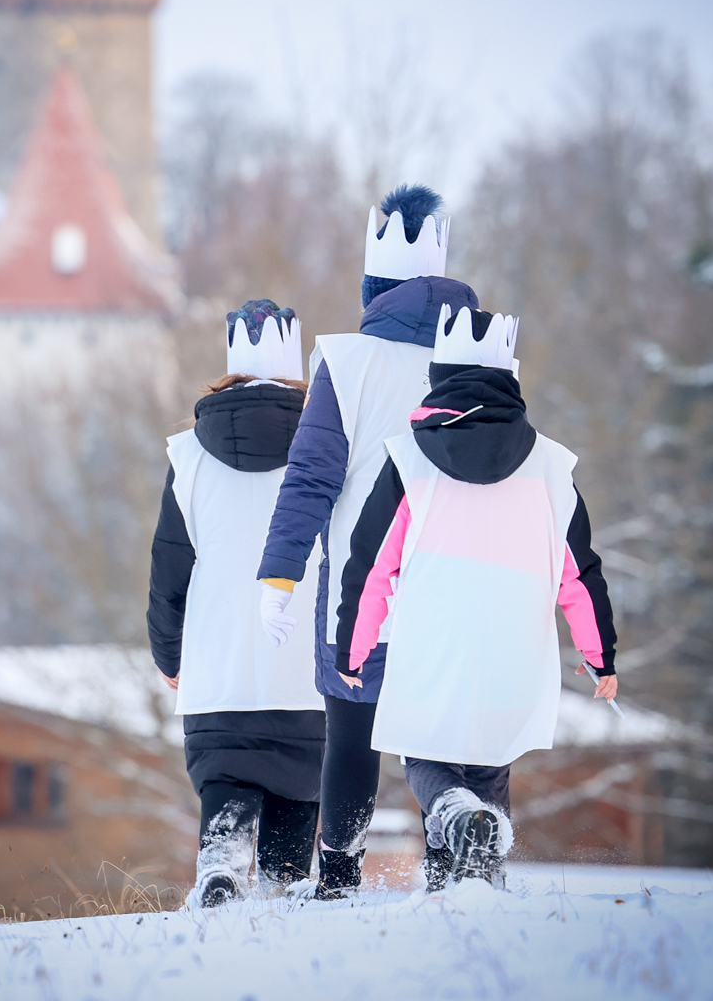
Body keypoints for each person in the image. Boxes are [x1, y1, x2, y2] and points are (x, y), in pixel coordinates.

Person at [336, 305, 618, 889]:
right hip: (515, 647)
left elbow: (371, 566)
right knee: (489, 762)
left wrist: (352, 649)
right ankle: (472, 885)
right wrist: (600, 656)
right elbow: (579, 573)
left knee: (427, 753)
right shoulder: (551, 465)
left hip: (435, 641)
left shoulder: (409, 459)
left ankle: (455, 813)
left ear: (439, 379)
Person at [254, 185, 480, 900]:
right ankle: (452, 875)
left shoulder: (348, 363)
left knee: (351, 735)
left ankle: (339, 880)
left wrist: (278, 576)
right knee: (438, 734)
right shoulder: (480, 359)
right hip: (455, 585)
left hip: (361, 592)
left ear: (372, 289)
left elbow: (310, 479)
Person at [147, 299, 326, 908]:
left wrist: (169, 655)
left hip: (219, 671)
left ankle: (221, 867)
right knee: (299, 796)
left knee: (225, 780)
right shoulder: (330, 449)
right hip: (304, 672)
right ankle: (282, 895)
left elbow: (169, 571)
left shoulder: (188, 458)